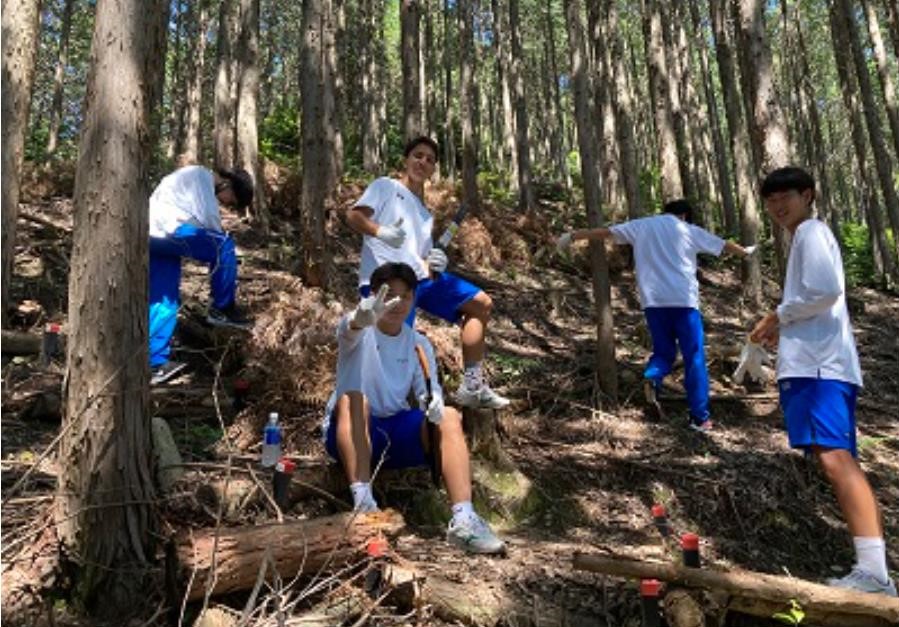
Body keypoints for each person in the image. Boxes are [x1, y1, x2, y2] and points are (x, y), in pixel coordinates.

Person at [750, 167, 895, 596]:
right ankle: (871, 567)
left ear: (808, 195)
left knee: (836, 461)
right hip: (819, 364)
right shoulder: (806, 237)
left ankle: (874, 574)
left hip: (819, 367)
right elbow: (817, 297)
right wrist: (781, 326)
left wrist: (777, 315)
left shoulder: (811, 231)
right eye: (770, 200)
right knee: (837, 459)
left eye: (785, 197)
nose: (777, 206)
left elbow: (826, 290)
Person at [322, 262, 506, 554]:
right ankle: (363, 501)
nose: (399, 304)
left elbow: (428, 391)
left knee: (448, 415)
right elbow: (350, 327)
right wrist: (361, 316)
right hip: (350, 431)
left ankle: (464, 518)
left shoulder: (418, 343)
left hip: (394, 433)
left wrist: (432, 402)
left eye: (406, 296)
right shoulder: (358, 331)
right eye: (390, 296)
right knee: (354, 398)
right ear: (374, 294)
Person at [557, 200, 756, 430]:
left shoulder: (642, 226)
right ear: (684, 215)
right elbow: (722, 245)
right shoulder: (688, 230)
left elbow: (606, 232)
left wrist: (573, 235)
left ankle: (653, 377)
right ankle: (700, 418)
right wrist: (745, 252)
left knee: (663, 352)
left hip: (653, 301)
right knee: (694, 357)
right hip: (684, 302)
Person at [345, 135, 509, 409]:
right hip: (386, 283)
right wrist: (380, 231)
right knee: (392, 349)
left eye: (430, 160)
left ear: (433, 170)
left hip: (419, 281)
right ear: (406, 160)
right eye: (418, 155)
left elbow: (422, 258)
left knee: (480, 304)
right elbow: (353, 216)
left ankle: (472, 385)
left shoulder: (424, 213)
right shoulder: (386, 186)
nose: (423, 162)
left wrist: (435, 262)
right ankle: (383, 415)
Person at [148, 165, 254, 385]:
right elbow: (210, 222)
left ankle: (155, 363)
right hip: (168, 228)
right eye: (231, 200)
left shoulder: (193, 179)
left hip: (153, 233)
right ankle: (222, 308)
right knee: (223, 245)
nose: (227, 204)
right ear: (229, 185)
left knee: (165, 296)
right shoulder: (200, 176)